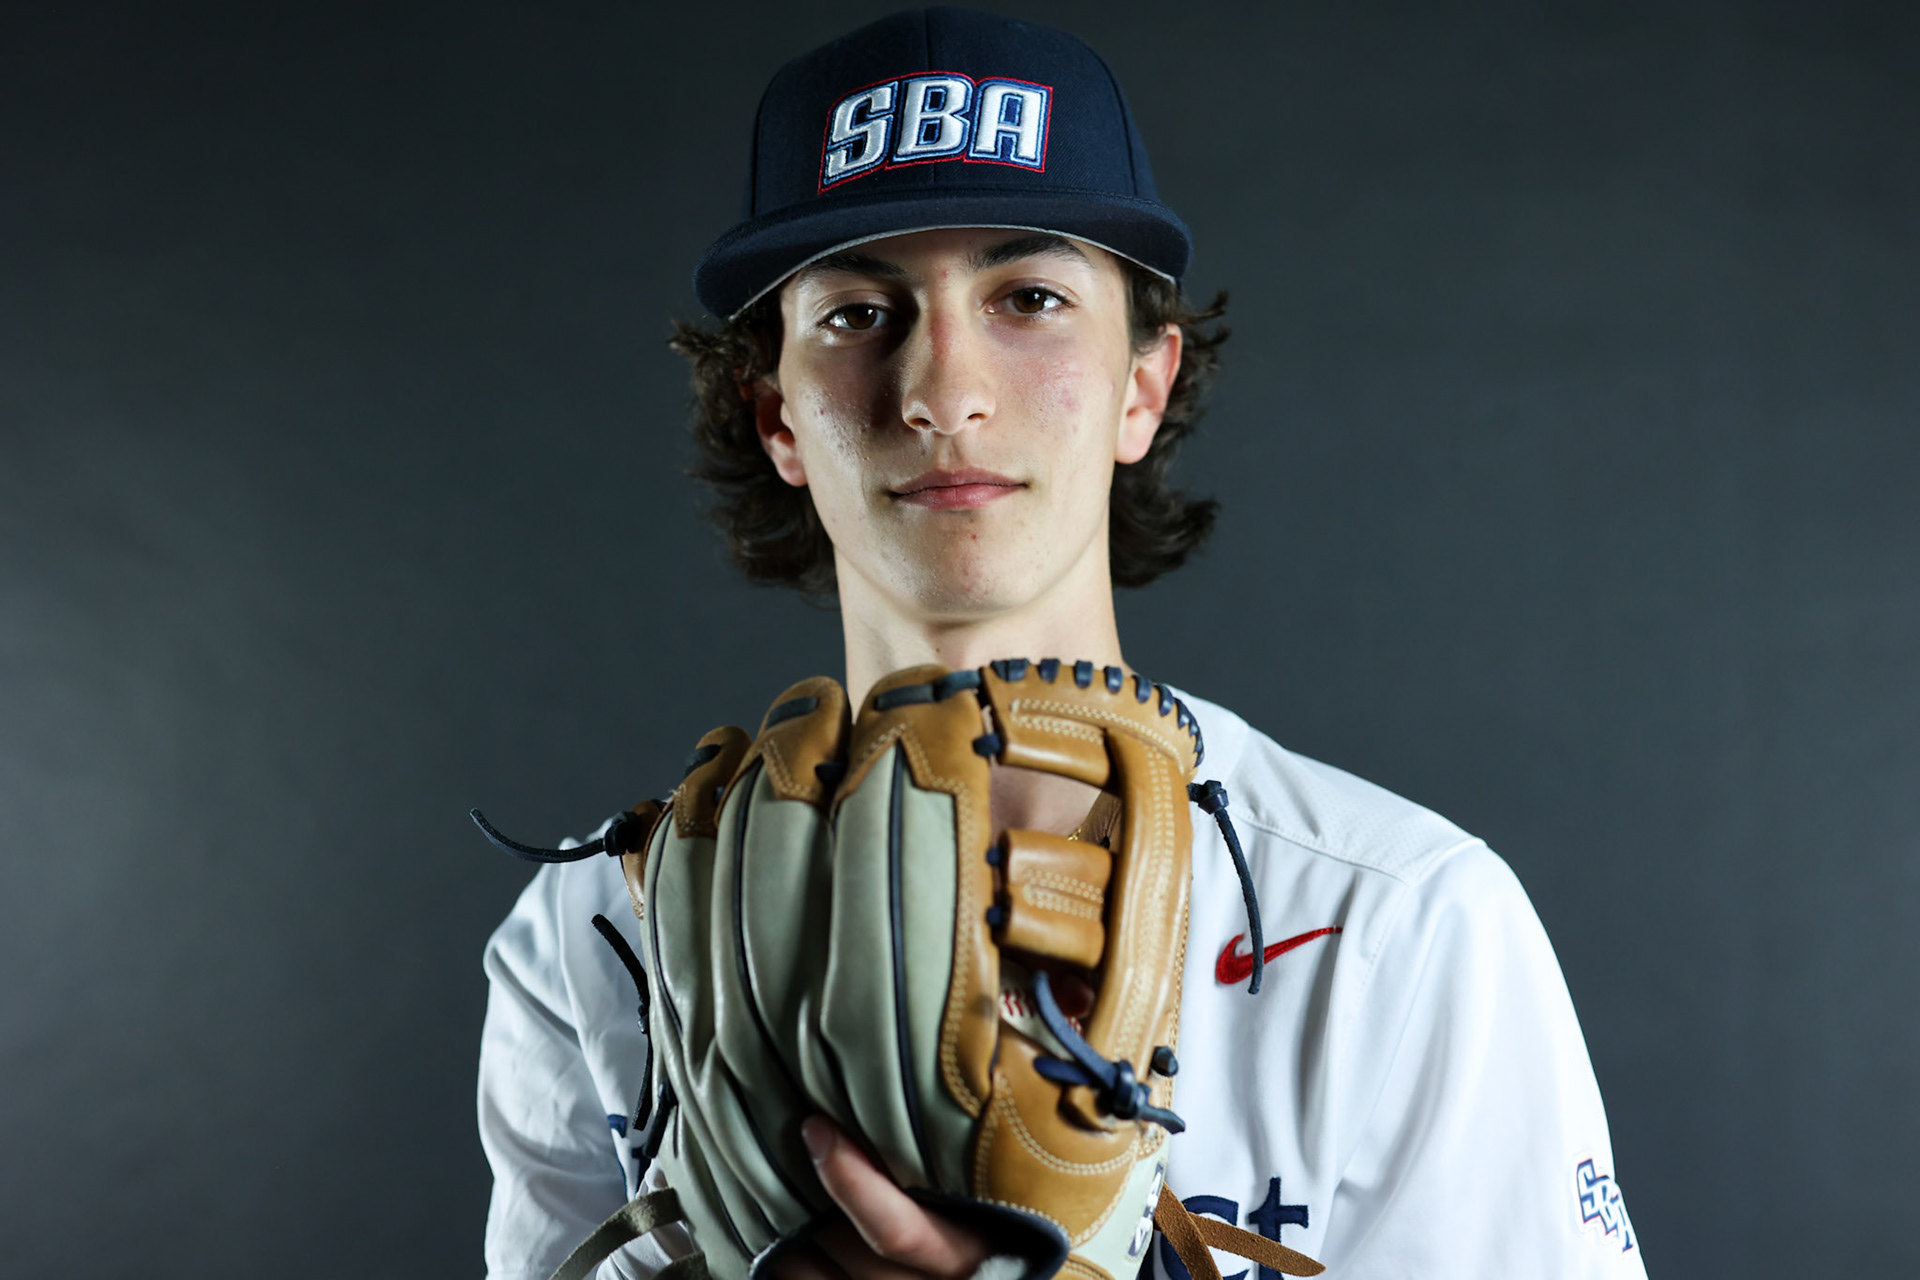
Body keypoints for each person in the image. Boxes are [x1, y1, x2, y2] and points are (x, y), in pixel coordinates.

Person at [478, 9, 1647, 1279]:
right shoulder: (596, 928)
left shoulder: (1396, 918)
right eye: (859, 313)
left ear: (1142, 384)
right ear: (776, 418)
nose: (943, 388)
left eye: (1029, 297)